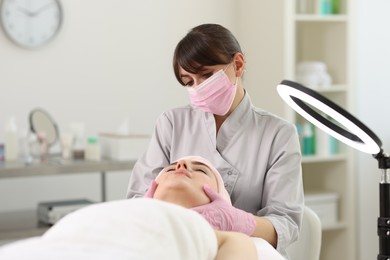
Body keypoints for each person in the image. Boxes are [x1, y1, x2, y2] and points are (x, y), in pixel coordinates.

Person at [127, 23, 304, 258]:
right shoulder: (172, 123)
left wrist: (237, 222)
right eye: (189, 81)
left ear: (238, 65)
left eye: (206, 75)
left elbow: (285, 224)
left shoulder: (278, 134)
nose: (198, 88)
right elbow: (137, 200)